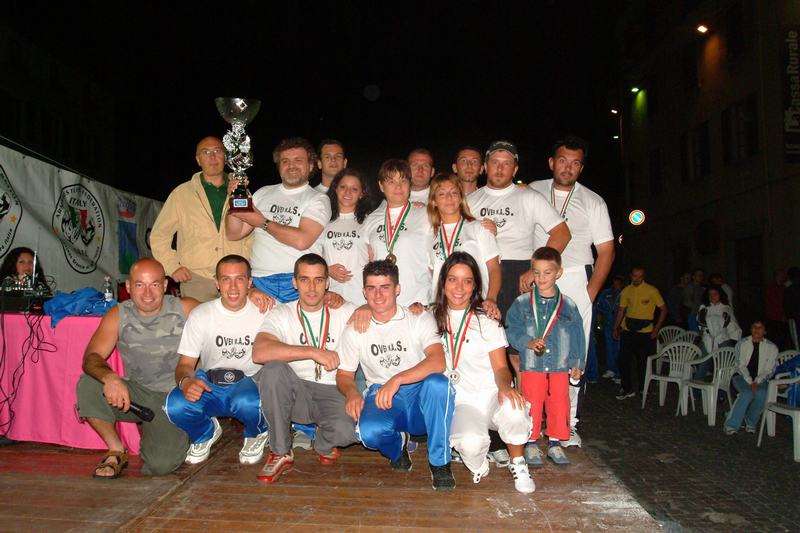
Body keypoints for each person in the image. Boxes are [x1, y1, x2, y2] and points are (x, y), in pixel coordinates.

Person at [521, 135, 615, 448]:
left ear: (581, 168)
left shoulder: (593, 201)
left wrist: (590, 292)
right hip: (538, 278)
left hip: (575, 277)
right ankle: (531, 420)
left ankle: (567, 423)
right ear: (551, 162)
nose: (568, 167)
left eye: (575, 163)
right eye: (562, 160)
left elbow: (606, 251)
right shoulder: (532, 190)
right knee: (533, 348)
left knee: (573, 353)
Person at [336, 260, 456, 491]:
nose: (378, 295)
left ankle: (440, 462)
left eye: (385, 287)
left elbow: (437, 361)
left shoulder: (418, 318)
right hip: (381, 393)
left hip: (418, 392)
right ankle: (398, 444)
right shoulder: (354, 329)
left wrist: (397, 379)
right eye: (371, 288)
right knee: (369, 434)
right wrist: (351, 393)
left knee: (438, 384)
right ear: (364, 292)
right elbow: (343, 374)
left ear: (397, 289)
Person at [76, 258, 198, 478]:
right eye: (140, 284)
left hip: (176, 396)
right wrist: (110, 377)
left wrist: (253, 294)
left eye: (154, 284)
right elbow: (91, 358)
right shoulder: (117, 314)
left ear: (165, 285)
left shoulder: (186, 308)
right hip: (138, 395)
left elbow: (225, 316)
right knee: (89, 383)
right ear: (129, 287)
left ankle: (186, 428)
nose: (147, 293)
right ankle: (116, 449)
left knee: (160, 466)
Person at [251, 253, 358, 483]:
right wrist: (312, 351)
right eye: (304, 279)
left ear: (327, 282)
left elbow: (376, 317)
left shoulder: (344, 310)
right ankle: (280, 451)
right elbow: (259, 352)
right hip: (294, 391)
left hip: (332, 389)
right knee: (273, 370)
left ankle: (322, 441)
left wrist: (367, 308)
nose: (311, 287)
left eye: (318, 280)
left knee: (346, 433)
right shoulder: (282, 312)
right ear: (294, 282)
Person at [432, 252, 533, 492]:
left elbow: (501, 367)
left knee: (514, 408)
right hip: (461, 401)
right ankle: (478, 464)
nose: (459, 288)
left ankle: (518, 462)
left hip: (490, 394)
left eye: (467, 281)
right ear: (443, 282)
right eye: (453, 279)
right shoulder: (428, 318)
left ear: (475, 286)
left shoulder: (486, 319)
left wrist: (505, 386)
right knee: (470, 443)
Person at [164, 255, 269, 466]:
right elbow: (185, 365)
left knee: (251, 401)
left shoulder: (265, 311)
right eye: (226, 279)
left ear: (249, 282)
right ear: (217, 283)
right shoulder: (201, 314)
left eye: (239, 279)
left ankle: (256, 433)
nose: (233, 287)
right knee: (174, 405)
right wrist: (186, 382)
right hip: (211, 383)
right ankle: (205, 432)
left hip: (249, 383)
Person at [467, 140, 570, 322]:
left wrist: (535, 270)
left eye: (506, 163)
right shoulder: (469, 201)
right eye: (495, 162)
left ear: (515, 170)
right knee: (479, 332)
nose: (500, 168)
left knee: (517, 336)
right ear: (485, 166)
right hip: (479, 271)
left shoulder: (529, 196)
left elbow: (562, 233)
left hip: (517, 271)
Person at [225, 137, 331, 304]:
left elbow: (302, 240)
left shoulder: (318, 199)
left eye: (298, 160)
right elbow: (234, 233)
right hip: (260, 281)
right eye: (285, 161)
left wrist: (263, 222)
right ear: (279, 166)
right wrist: (234, 197)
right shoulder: (263, 193)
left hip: (299, 283)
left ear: (311, 165)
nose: (291, 165)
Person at [506, 247, 585, 468]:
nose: (541, 278)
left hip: (560, 366)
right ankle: (531, 442)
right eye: (537, 272)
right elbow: (511, 329)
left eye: (547, 272)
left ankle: (555, 442)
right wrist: (527, 342)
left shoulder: (568, 305)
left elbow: (578, 335)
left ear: (558, 272)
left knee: (559, 403)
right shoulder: (522, 303)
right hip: (532, 365)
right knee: (531, 403)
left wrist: (577, 363)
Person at [150, 136, 252, 301]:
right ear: (198, 160)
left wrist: (245, 262)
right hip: (196, 279)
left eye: (217, 151)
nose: (212, 157)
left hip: (234, 277)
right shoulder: (181, 194)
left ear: (226, 157)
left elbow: (251, 232)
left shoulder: (240, 190)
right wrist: (172, 267)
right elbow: (159, 235)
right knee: (196, 318)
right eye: (206, 152)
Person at [427, 173, 501, 319]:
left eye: (454, 193)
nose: (449, 198)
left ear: (461, 198)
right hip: (442, 311)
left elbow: (494, 268)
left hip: (474, 307)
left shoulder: (479, 228)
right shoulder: (430, 235)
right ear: (434, 201)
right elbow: (432, 276)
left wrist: (491, 299)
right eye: (442, 194)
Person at [363, 159, 433, 307]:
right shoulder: (372, 219)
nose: (398, 186)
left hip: (418, 302)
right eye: (391, 181)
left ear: (410, 184)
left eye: (403, 180)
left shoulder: (426, 214)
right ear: (381, 186)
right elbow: (365, 260)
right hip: (381, 303)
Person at [613, 265, 668, 400]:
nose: (637, 279)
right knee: (623, 360)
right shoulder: (627, 290)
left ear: (643, 277)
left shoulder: (651, 290)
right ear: (631, 276)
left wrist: (656, 328)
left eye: (640, 276)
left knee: (643, 362)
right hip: (628, 330)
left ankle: (644, 388)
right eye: (635, 276)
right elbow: (621, 310)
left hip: (645, 332)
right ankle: (627, 388)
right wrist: (615, 327)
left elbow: (664, 309)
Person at [320, 168, 373, 305]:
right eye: (343, 187)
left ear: (362, 194)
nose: (348, 192)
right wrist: (326, 270)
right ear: (335, 189)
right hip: (330, 296)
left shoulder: (370, 221)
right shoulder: (322, 220)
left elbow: (374, 259)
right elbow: (312, 254)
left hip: (361, 297)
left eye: (354, 189)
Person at [724, 321, 778, 434]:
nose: (757, 329)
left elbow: (769, 369)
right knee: (746, 393)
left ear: (765, 331)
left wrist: (757, 381)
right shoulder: (742, 343)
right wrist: (750, 381)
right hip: (741, 376)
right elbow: (740, 365)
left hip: (761, 378)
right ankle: (732, 424)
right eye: (754, 327)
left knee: (762, 393)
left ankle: (751, 421)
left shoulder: (772, 347)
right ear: (750, 329)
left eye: (760, 327)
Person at [697, 285, 741, 354]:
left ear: (720, 295)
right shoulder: (704, 308)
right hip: (706, 338)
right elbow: (701, 322)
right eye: (710, 294)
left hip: (723, 338)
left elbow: (731, 325)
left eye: (715, 294)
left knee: (724, 358)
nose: (712, 296)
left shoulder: (726, 308)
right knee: (702, 358)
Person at [597, 275, 624, 381]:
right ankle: (610, 369)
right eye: (615, 283)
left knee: (619, 349)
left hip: (621, 326)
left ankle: (618, 373)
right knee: (609, 348)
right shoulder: (606, 293)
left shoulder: (625, 293)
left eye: (618, 283)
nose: (616, 285)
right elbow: (599, 306)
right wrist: (602, 317)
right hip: (608, 324)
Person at [765, 269, 789, 349]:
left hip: (782, 319)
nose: (783, 277)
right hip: (774, 319)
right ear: (777, 276)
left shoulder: (783, 288)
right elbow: (774, 304)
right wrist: (781, 315)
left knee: (783, 341)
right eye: (782, 276)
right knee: (776, 341)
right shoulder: (771, 288)